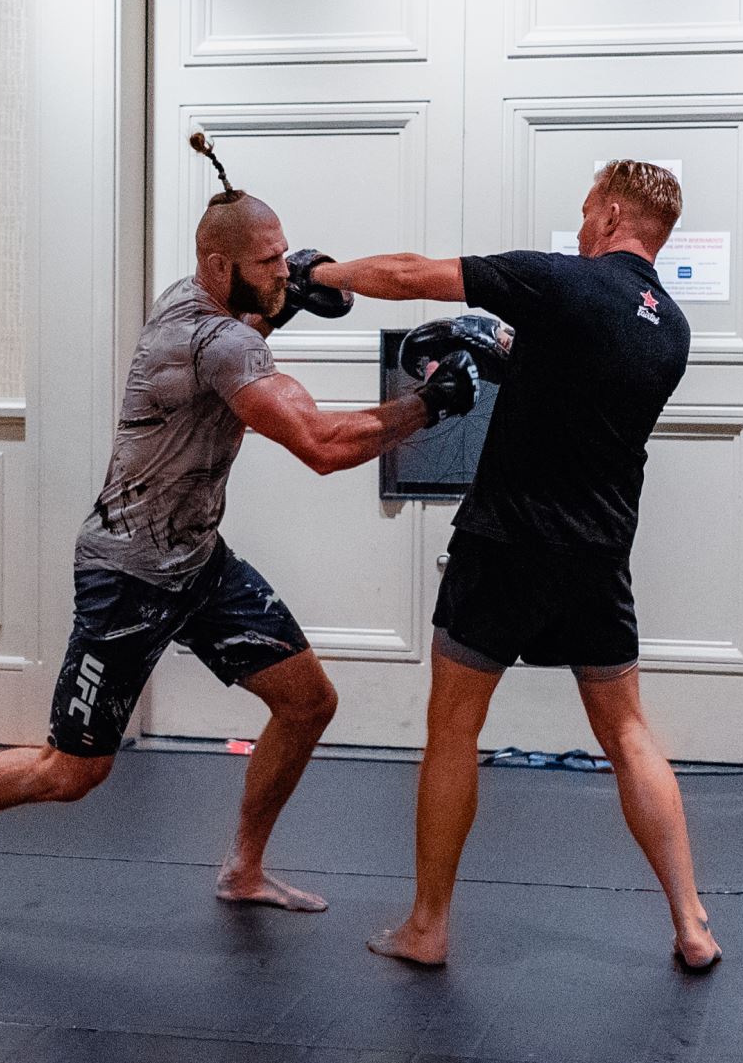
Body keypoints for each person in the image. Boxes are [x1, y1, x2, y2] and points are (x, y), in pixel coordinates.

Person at [0, 155, 480, 922]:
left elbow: (259, 310)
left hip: (197, 562)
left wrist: (291, 288)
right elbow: (321, 445)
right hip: (127, 572)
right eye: (267, 263)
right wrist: (430, 402)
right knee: (72, 770)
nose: (282, 271)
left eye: (283, 255)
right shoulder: (215, 343)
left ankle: (244, 868)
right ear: (220, 265)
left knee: (307, 701)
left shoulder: (196, 296)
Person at [309, 160, 722, 970]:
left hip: (504, 542)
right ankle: (692, 921)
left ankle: (427, 927)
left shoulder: (561, 283)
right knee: (628, 731)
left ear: (609, 212)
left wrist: (320, 274)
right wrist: (511, 356)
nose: (577, 226)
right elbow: (576, 384)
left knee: (454, 728)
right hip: (598, 553)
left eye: (582, 211)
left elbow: (409, 275)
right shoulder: (670, 328)